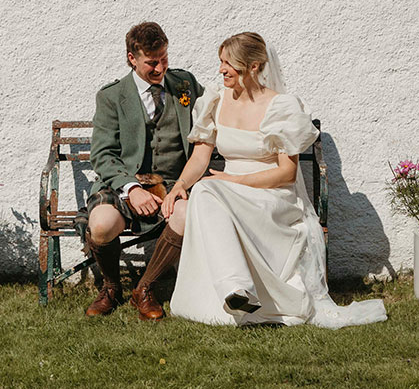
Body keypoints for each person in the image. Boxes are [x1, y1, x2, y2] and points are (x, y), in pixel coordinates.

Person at [163, 32, 387, 327]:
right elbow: (200, 158)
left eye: (230, 64)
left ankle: (238, 289)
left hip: (273, 194)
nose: (221, 69)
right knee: (204, 190)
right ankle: (239, 290)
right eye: (221, 62)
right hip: (226, 193)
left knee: (207, 190)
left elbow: (286, 173)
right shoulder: (216, 100)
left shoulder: (281, 107)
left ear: (254, 66)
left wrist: (233, 181)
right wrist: (180, 185)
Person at [82, 21, 204, 319]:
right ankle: (111, 287)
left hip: (175, 183)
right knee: (100, 224)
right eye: (152, 62)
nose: (160, 68)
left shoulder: (185, 83)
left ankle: (144, 289)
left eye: (164, 59)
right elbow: (102, 154)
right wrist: (132, 189)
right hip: (124, 184)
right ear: (131, 58)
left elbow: (214, 115)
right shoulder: (111, 97)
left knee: (187, 215)